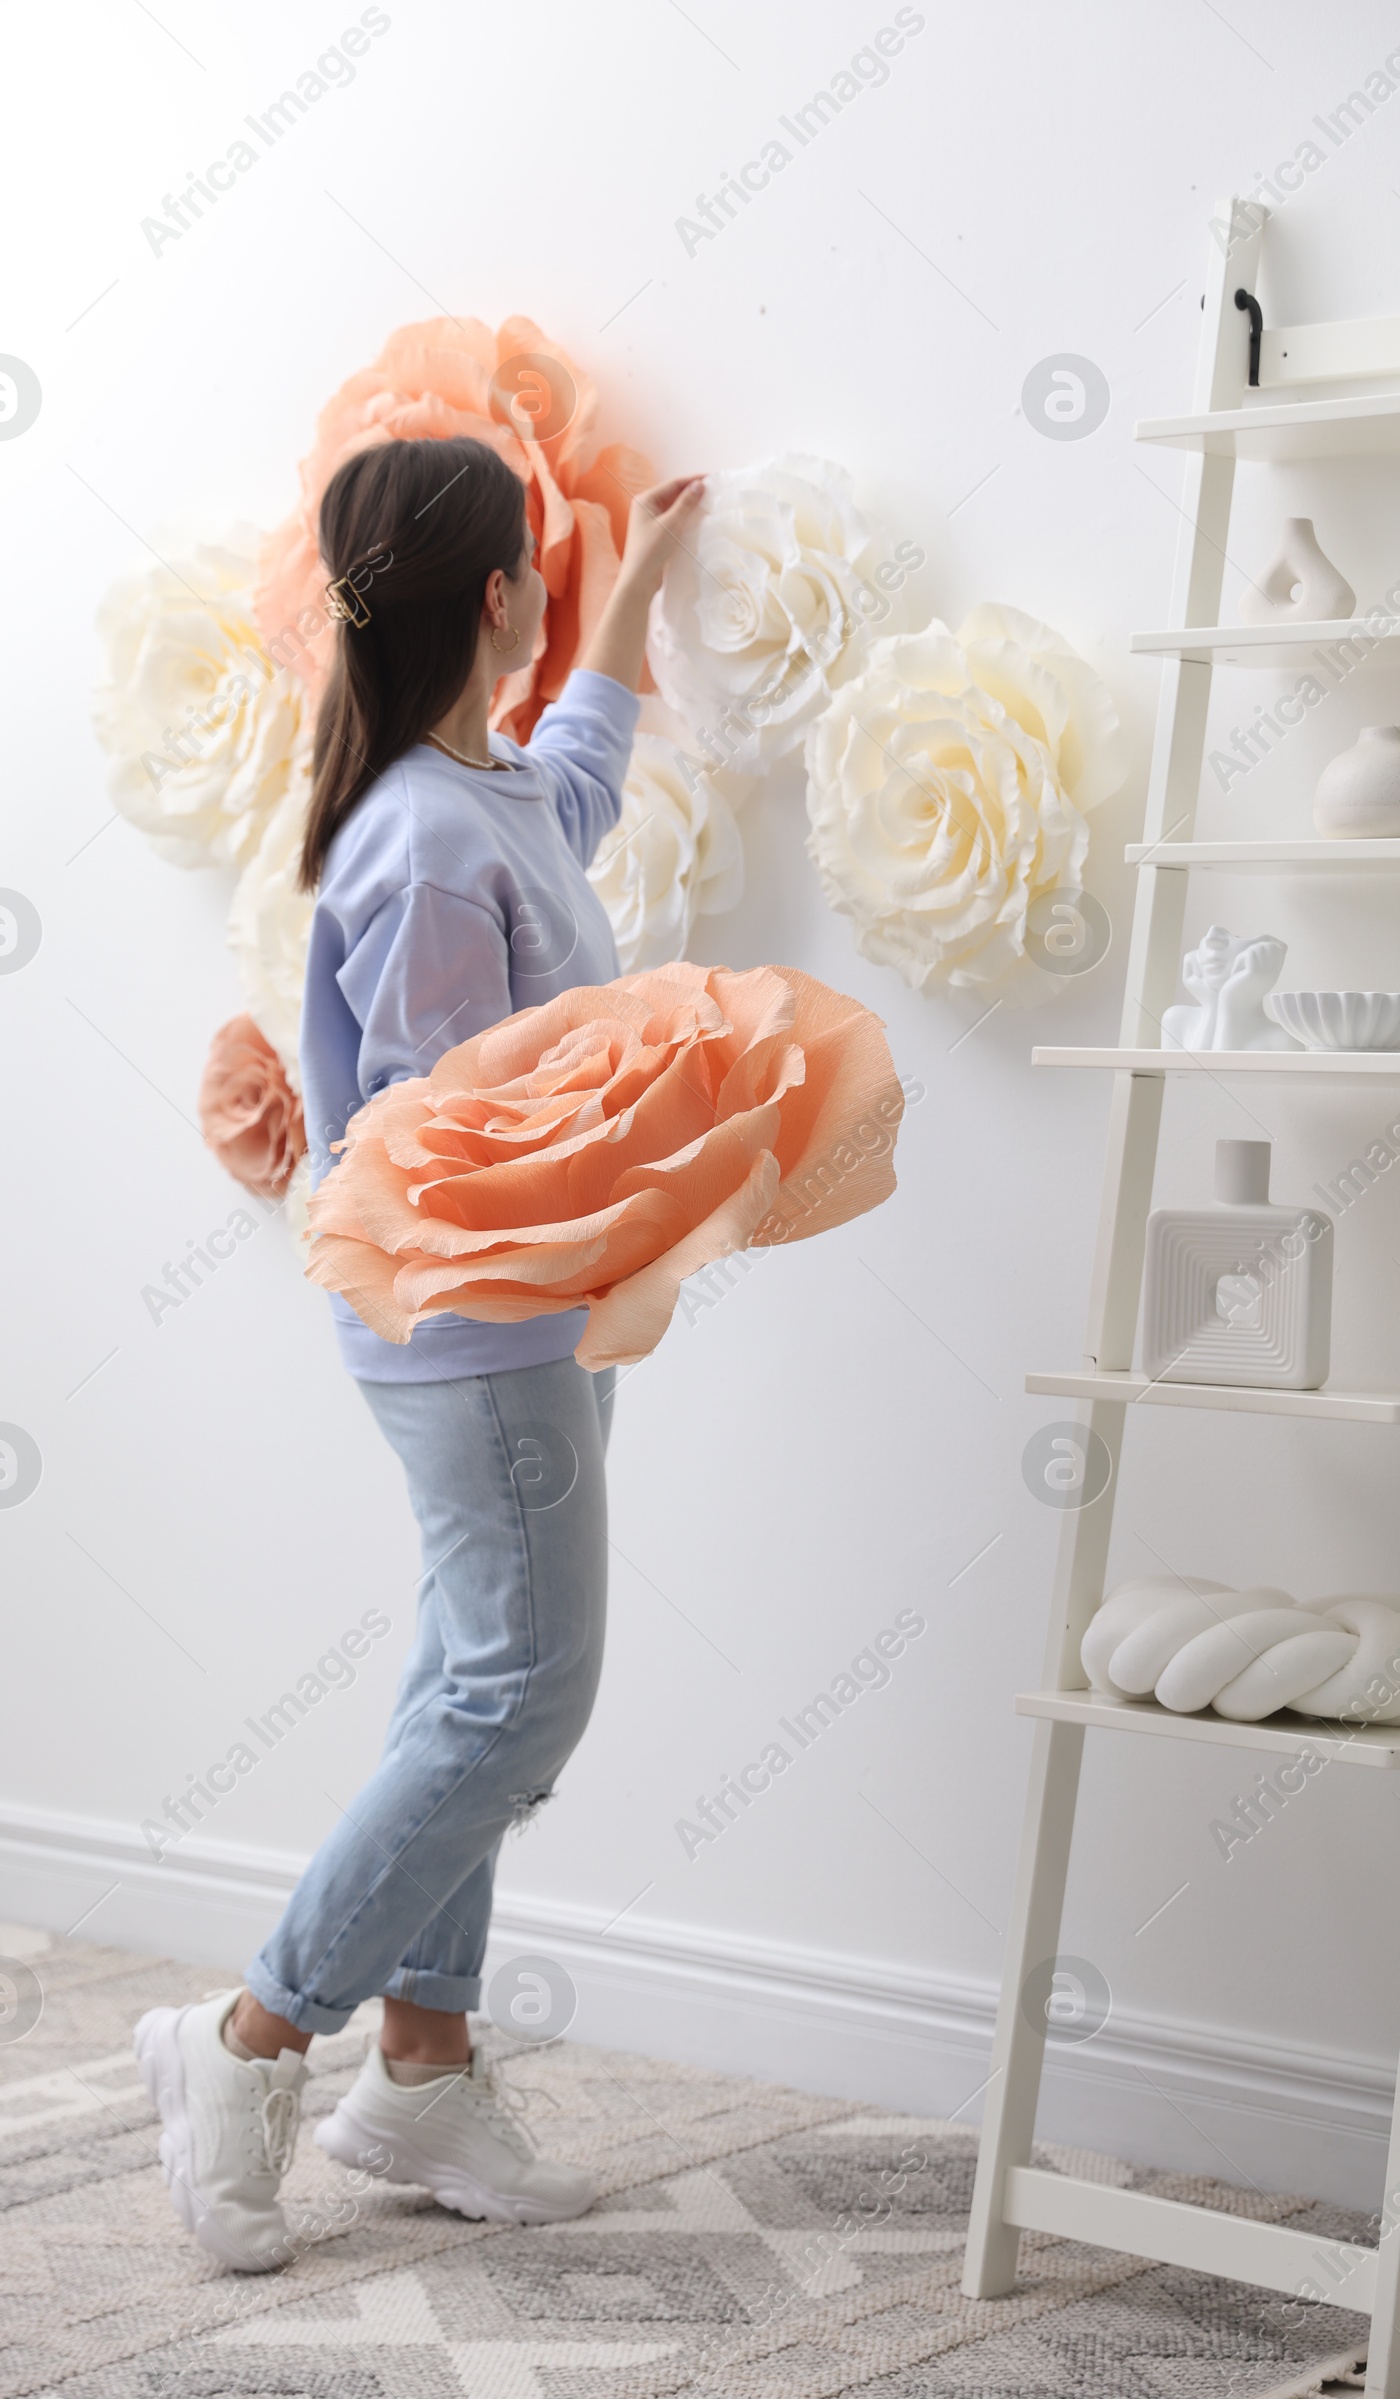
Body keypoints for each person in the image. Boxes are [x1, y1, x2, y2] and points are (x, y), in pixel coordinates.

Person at [135, 434, 705, 2270]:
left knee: (477, 1674)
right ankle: (248, 2037)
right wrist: (678, 1100)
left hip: (542, 1312)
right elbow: (446, 1133)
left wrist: (635, 600)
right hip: (473, 1321)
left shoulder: (487, 790)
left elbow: (581, 777)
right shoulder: (423, 845)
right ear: (489, 596)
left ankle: (428, 2067)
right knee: (520, 1696)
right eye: (544, 567)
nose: (552, 590)